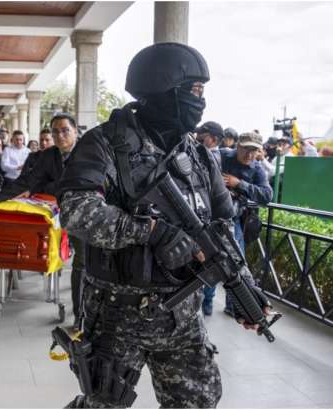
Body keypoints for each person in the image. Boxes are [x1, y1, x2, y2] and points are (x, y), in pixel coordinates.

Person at [57, 42, 271, 408]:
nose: (200, 101)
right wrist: (151, 232)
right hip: (116, 313)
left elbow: (221, 226)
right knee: (102, 403)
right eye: (194, 90)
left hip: (180, 317)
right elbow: (76, 211)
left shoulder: (199, 155)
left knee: (199, 401)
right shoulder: (105, 144)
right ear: (162, 88)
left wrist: (244, 291)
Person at [14, 113, 85, 325]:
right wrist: (63, 186)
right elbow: (36, 184)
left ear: (75, 131)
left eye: (65, 130)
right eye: (55, 131)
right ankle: (79, 311)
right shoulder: (47, 156)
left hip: (87, 216)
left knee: (83, 264)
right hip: (57, 213)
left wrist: (58, 186)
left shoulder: (88, 151)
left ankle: (80, 315)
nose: (60, 135)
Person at [213, 131, 272, 317]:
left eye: (254, 151)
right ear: (238, 146)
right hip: (209, 217)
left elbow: (266, 196)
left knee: (236, 263)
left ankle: (235, 306)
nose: (249, 154)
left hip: (234, 219)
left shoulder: (257, 169)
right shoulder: (222, 156)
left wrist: (239, 184)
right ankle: (206, 302)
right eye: (246, 149)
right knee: (207, 261)